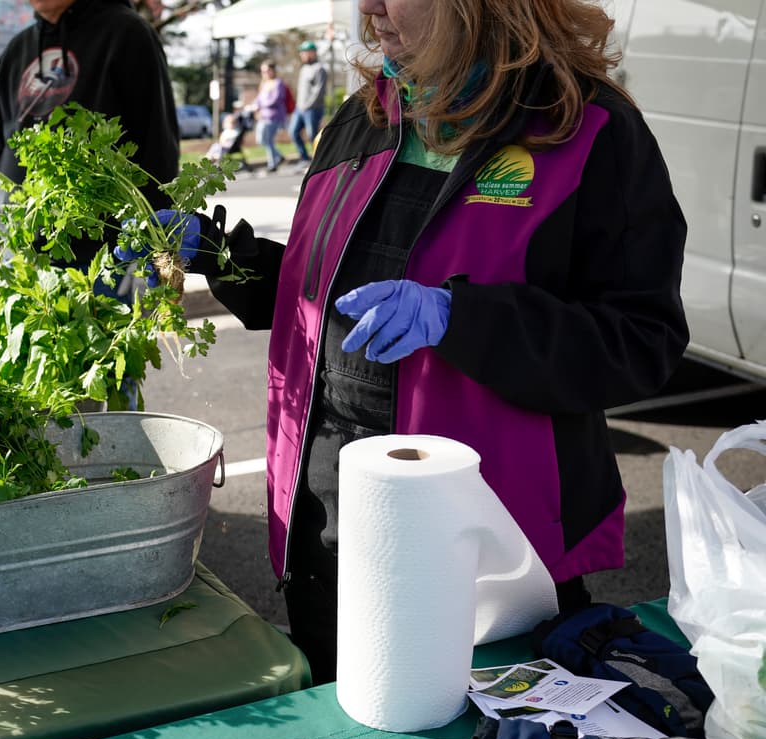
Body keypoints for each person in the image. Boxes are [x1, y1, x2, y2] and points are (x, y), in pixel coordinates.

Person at [150, 0, 689, 682]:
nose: (368, 7)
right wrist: (216, 252)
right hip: (328, 546)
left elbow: (643, 340)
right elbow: (316, 291)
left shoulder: (586, 130)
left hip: (484, 566)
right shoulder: (362, 119)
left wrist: (460, 318)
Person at [0, 0, 179, 271]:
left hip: (101, 263)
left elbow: (157, 151)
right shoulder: (16, 52)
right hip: (16, 260)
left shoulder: (128, 34)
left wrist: (151, 249)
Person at [289, 41, 329, 165]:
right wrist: (299, 105)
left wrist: (308, 106)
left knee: (313, 135)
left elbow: (319, 91)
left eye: (304, 52)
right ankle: (305, 158)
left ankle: (319, 160)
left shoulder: (320, 69)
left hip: (313, 109)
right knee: (293, 132)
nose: (302, 55)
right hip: (300, 108)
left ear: (312, 53)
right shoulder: (304, 68)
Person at [253, 61, 288, 173]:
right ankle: (279, 156)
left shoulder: (278, 83)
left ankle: (272, 164)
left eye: (267, 70)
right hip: (263, 116)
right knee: (261, 139)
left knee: (268, 140)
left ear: (273, 70)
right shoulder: (264, 84)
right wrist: (254, 106)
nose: (265, 73)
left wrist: (263, 106)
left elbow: (277, 99)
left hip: (274, 116)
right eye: (263, 71)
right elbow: (258, 99)